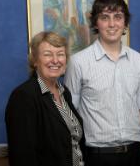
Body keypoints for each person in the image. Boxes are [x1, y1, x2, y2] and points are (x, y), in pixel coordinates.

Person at [64, 0, 140, 166]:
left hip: (134, 154)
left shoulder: (138, 60)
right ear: (96, 23)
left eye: (118, 17)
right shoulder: (78, 63)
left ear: (125, 22)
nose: (112, 24)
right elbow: (69, 117)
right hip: (96, 156)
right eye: (105, 17)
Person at [5, 31, 85, 166]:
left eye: (60, 54)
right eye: (48, 54)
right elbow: (22, 156)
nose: (55, 60)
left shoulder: (65, 93)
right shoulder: (23, 97)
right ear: (35, 61)